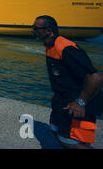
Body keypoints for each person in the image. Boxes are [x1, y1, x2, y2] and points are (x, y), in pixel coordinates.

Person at [32, 15, 103, 149]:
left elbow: (96, 77)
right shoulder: (50, 46)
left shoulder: (65, 48)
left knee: (71, 141)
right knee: (55, 130)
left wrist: (80, 102)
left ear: (48, 30)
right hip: (63, 100)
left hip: (78, 103)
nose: (33, 31)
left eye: (36, 28)